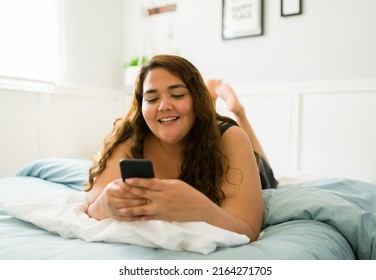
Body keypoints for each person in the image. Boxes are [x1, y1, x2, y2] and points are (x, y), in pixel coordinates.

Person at [85, 55, 263, 241]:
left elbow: (248, 229)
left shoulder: (230, 138)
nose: (163, 106)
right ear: (140, 105)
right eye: (152, 99)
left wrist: (199, 208)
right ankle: (206, 100)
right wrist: (104, 205)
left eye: (177, 95)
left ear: (195, 98)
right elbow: (91, 208)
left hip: (254, 167)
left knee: (260, 158)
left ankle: (238, 111)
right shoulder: (131, 137)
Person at [206, 80, 278, 190]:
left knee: (257, 160)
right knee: (264, 167)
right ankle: (240, 112)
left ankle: (235, 111)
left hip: (236, 171)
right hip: (248, 176)